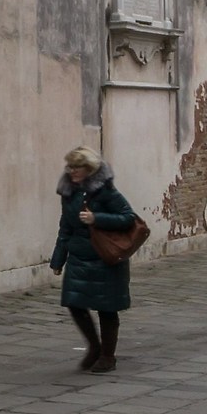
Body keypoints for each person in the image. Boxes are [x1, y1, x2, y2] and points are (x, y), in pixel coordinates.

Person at [51, 144, 137, 371]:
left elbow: (127, 217)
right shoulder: (68, 193)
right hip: (79, 256)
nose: (72, 171)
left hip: (105, 256)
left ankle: (108, 356)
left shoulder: (106, 191)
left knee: (107, 307)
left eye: (77, 166)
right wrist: (58, 259)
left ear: (89, 169)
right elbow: (65, 227)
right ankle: (94, 346)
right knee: (74, 303)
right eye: (70, 166)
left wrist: (96, 218)